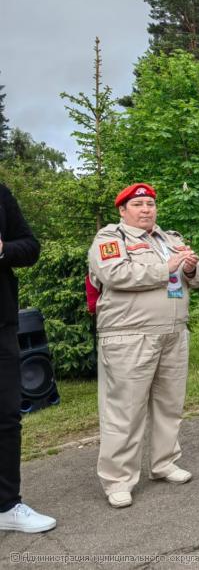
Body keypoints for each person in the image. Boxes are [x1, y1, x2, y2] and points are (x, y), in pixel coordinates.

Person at [88, 183, 199, 508]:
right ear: (122, 210)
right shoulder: (111, 238)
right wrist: (166, 267)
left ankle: (164, 462)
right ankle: (118, 479)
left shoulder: (169, 238)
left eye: (150, 204)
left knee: (170, 404)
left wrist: (191, 267)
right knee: (125, 410)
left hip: (173, 332)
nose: (146, 210)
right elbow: (116, 274)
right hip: (129, 335)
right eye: (138, 205)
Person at [0, 183, 55, 532]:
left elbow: (30, 247)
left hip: (1, 323)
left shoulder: (1, 194)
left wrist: (3, 249)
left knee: (6, 417)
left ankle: (6, 506)